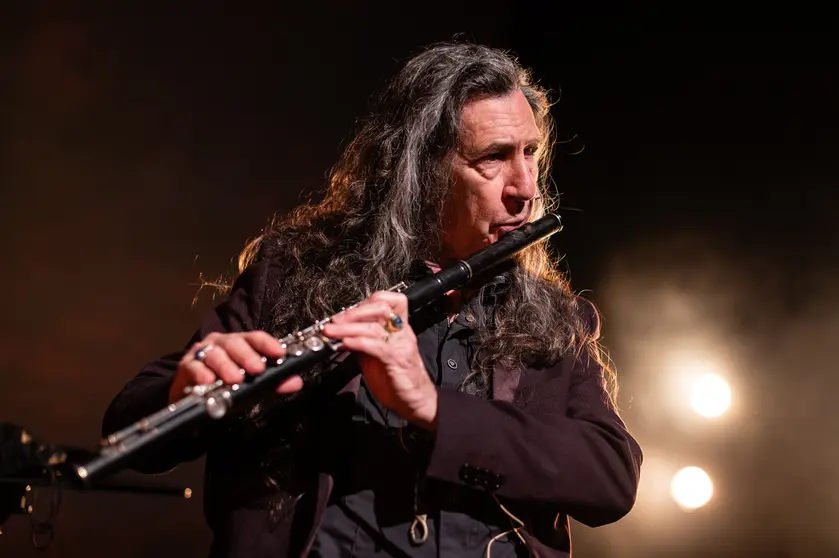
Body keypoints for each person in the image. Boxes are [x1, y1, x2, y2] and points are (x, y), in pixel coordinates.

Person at [102, 42, 642, 557]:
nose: (525, 187)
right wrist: (184, 390)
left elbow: (612, 478)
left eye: (531, 153)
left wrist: (434, 410)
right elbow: (130, 425)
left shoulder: (553, 318)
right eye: (494, 158)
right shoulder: (298, 273)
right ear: (421, 170)